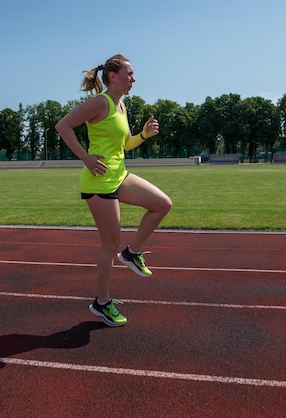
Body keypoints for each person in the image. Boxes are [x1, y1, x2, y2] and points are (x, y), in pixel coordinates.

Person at [55, 54, 172, 327]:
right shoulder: (100, 103)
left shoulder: (121, 106)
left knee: (162, 204)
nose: (134, 79)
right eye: (129, 74)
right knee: (109, 245)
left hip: (120, 176)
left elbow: (124, 146)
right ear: (112, 76)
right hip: (99, 182)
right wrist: (85, 157)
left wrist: (143, 136)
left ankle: (132, 253)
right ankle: (102, 303)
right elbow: (63, 126)